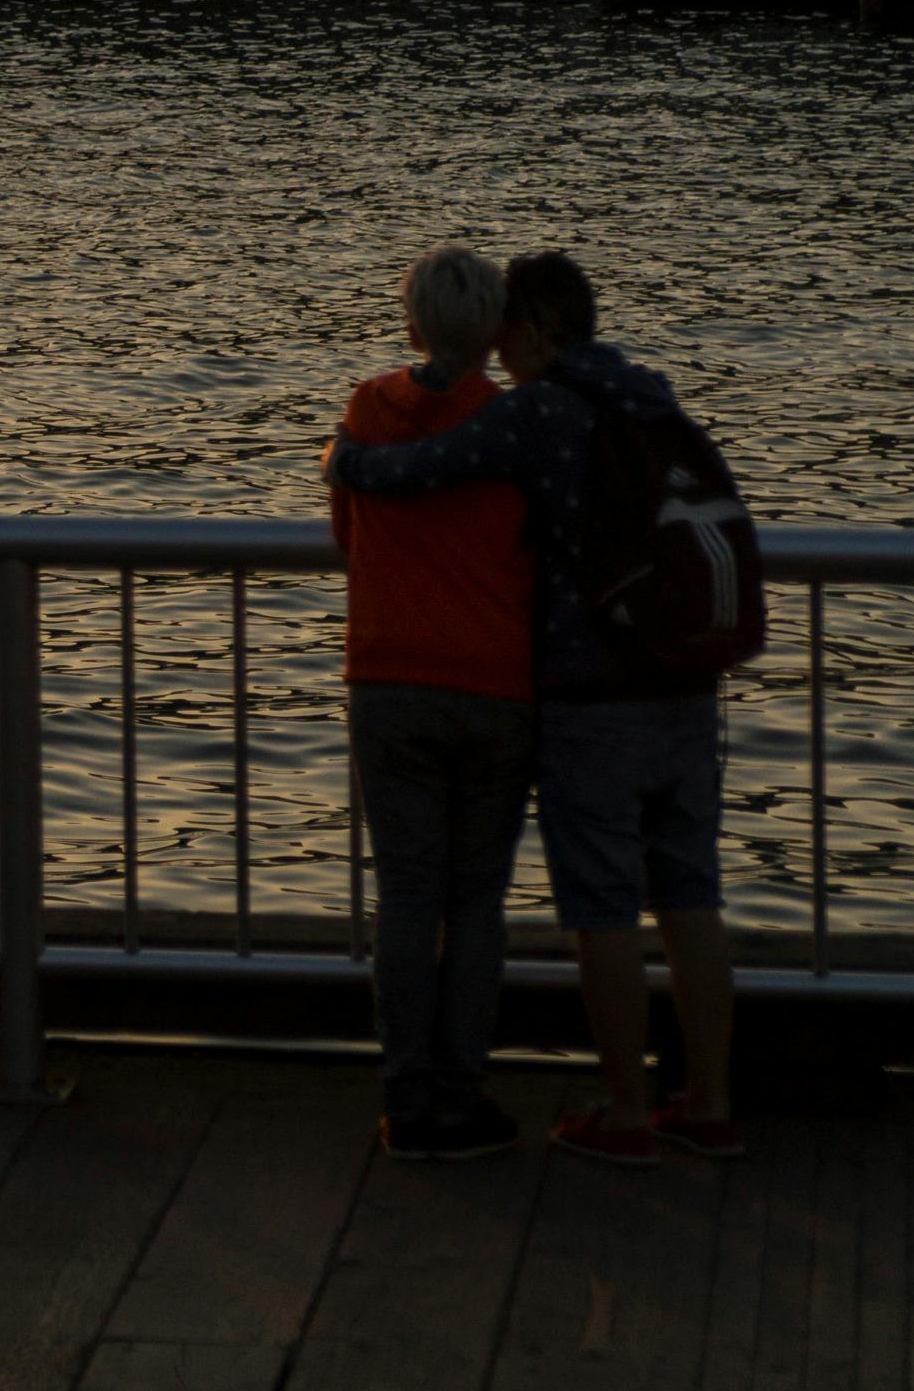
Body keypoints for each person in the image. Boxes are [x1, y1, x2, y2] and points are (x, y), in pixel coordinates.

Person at [330, 252, 741, 1167]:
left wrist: (344, 459)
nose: (503, 347)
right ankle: (709, 1102)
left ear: (538, 330)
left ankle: (614, 1110)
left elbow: (413, 470)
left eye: (514, 329)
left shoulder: (528, 413)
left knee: (583, 903)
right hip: (677, 679)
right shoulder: (648, 395)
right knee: (687, 893)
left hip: (586, 688)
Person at [328, 246, 533, 1162]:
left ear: (412, 323)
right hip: (495, 683)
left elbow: (347, 534)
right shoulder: (516, 423)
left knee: (407, 897)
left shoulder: (368, 410)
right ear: (495, 330)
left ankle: (405, 1101)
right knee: (477, 899)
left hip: (388, 675)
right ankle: (462, 1089)